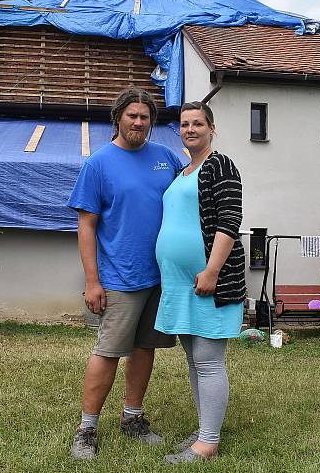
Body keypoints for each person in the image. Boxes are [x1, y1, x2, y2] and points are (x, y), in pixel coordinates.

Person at [67, 87, 184, 460]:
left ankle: (132, 418)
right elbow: (86, 226)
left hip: (161, 277)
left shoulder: (166, 158)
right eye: (132, 115)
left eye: (145, 116)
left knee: (145, 347)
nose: (139, 122)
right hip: (119, 277)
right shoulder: (98, 164)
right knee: (108, 351)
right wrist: (92, 280)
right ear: (118, 118)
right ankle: (86, 429)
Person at [153, 101, 246, 464]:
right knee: (194, 360)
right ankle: (206, 427)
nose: (190, 129)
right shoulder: (183, 171)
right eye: (185, 124)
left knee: (208, 359)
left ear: (211, 128)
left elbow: (229, 219)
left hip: (209, 280)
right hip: (180, 283)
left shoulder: (218, 164)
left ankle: (207, 443)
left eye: (198, 123)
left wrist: (211, 271)